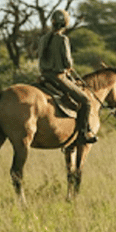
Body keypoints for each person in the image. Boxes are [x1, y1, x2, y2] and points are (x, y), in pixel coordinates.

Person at [38, 9, 97, 144]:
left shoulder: (43, 39)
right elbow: (67, 61)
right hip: (58, 77)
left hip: (43, 76)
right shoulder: (63, 39)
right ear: (65, 24)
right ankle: (83, 134)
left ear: (52, 22)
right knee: (86, 101)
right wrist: (69, 66)